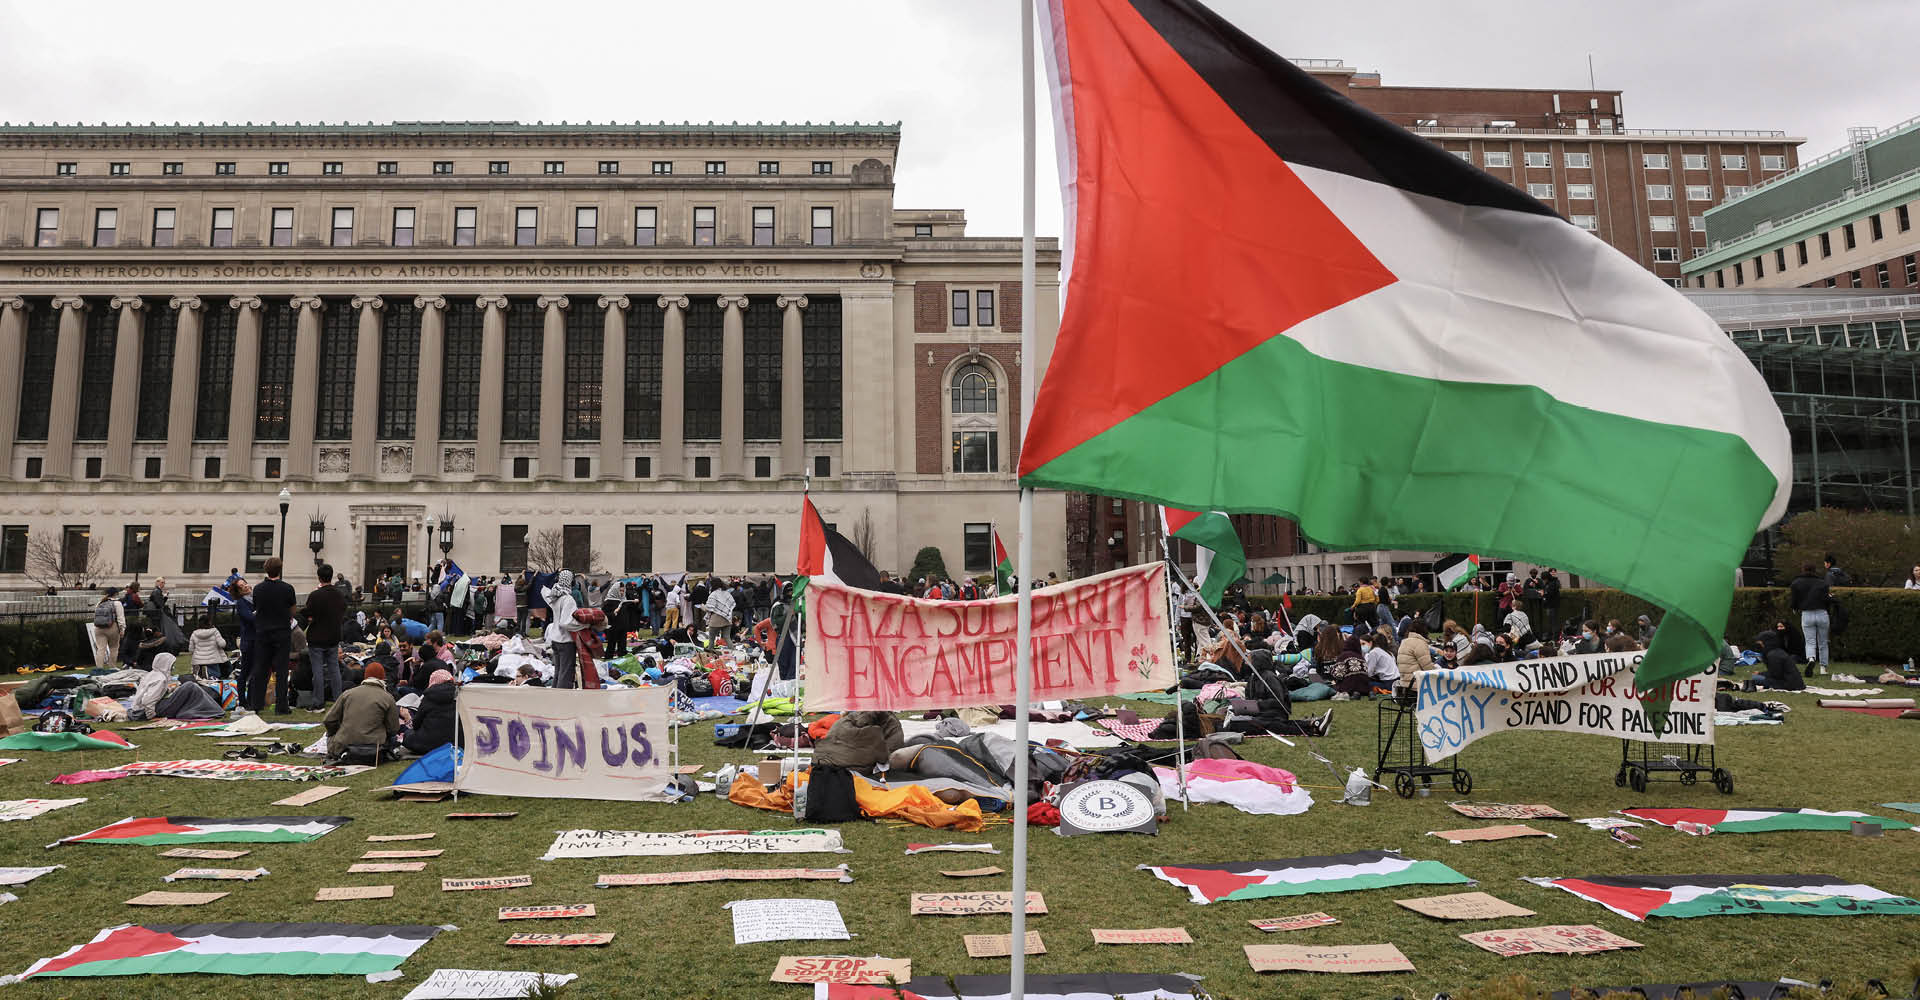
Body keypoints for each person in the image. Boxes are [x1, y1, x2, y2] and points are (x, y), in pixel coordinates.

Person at [248, 558, 298, 715]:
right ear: (280, 569)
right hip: (282, 632)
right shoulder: (288, 588)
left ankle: (256, 703)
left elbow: (256, 608)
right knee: (281, 670)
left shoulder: (258, 589)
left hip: (263, 632)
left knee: (261, 668)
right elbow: (293, 610)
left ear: (265, 570)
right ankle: (281, 705)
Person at [323, 661, 400, 762]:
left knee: (330, 737)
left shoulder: (348, 694)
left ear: (365, 677)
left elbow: (329, 720)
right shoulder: (388, 697)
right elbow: (393, 729)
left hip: (344, 745)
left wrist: (336, 731)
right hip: (375, 748)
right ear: (383, 678)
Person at [302, 563, 348, 708]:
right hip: (333, 635)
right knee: (334, 669)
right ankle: (338, 699)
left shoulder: (315, 595)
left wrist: (311, 617)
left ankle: (318, 701)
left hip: (317, 636)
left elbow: (307, 611)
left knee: (318, 670)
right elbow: (342, 610)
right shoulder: (339, 595)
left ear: (319, 577)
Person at [1788, 563, 1832, 677]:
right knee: (1823, 642)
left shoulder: (1796, 583)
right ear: (1815, 570)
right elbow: (1827, 599)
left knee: (1810, 641)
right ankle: (1823, 667)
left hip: (1807, 614)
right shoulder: (1823, 583)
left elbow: (1794, 600)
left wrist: (1794, 608)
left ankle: (1811, 658)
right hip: (1822, 613)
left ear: (1803, 570)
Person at [402, 669, 457, 756]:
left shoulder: (429, 696)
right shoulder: (460, 695)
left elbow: (416, 724)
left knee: (408, 734)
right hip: (456, 743)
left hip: (429, 744)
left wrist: (408, 717)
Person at [545, 570, 581, 689]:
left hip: (555, 638)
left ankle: (554, 697)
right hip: (565, 640)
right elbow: (566, 622)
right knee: (565, 674)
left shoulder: (555, 596)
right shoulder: (567, 599)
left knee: (558, 672)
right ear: (571, 581)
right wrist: (585, 625)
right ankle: (563, 699)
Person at [91, 587, 126, 670]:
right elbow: (121, 618)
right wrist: (122, 629)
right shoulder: (117, 603)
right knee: (114, 648)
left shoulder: (100, 602)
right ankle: (112, 667)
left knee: (100, 649)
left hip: (99, 628)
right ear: (115, 594)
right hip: (112, 627)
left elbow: (95, 616)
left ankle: (99, 668)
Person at [187, 612, 229, 679]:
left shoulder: (194, 633)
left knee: (199, 678)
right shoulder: (215, 631)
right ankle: (210, 676)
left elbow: (191, 649)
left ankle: (203, 675)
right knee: (215, 677)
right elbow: (222, 644)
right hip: (213, 659)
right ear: (209, 623)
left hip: (199, 660)